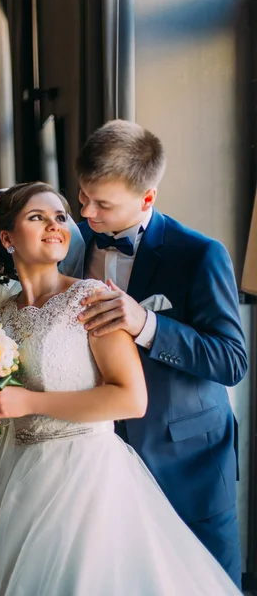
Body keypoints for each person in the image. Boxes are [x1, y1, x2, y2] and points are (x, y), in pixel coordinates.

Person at [0, 181, 243, 595]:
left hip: (88, 478)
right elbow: (3, 403)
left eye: (61, 216)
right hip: (21, 484)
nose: (55, 225)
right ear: (7, 238)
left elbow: (130, 398)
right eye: (38, 217)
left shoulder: (91, 297)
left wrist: (25, 401)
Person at [73, 119, 247, 587]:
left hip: (188, 462)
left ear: (147, 198)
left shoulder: (201, 255)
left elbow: (232, 360)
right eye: (82, 195)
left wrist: (145, 324)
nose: (85, 211)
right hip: (101, 464)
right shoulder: (75, 245)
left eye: (101, 203)